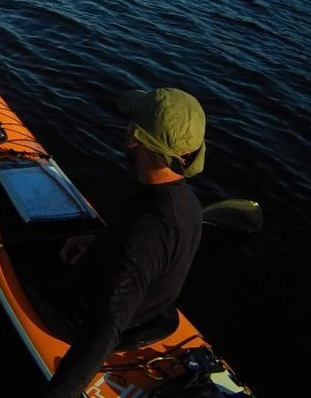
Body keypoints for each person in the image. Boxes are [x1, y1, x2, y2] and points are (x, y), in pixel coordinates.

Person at [44, 87, 207, 398]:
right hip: (149, 312)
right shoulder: (186, 202)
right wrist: (96, 240)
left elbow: (106, 326)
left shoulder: (143, 234)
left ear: (136, 138)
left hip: (84, 318)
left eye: (132, 122)